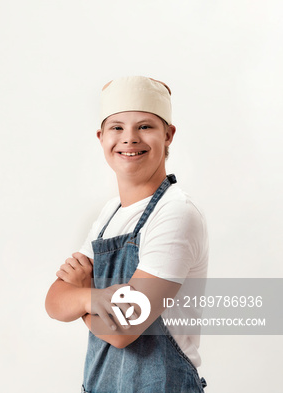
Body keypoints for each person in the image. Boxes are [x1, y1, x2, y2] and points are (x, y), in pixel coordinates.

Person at [44, 76, 208, 392]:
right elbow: (54, 303)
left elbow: (122, 330)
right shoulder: (109, 215)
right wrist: (94, 297)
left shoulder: (175, 213)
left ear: (169, 135)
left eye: (145, 126)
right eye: (117, 127)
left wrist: (80, 294)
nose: (129, 139)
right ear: (101, 136)